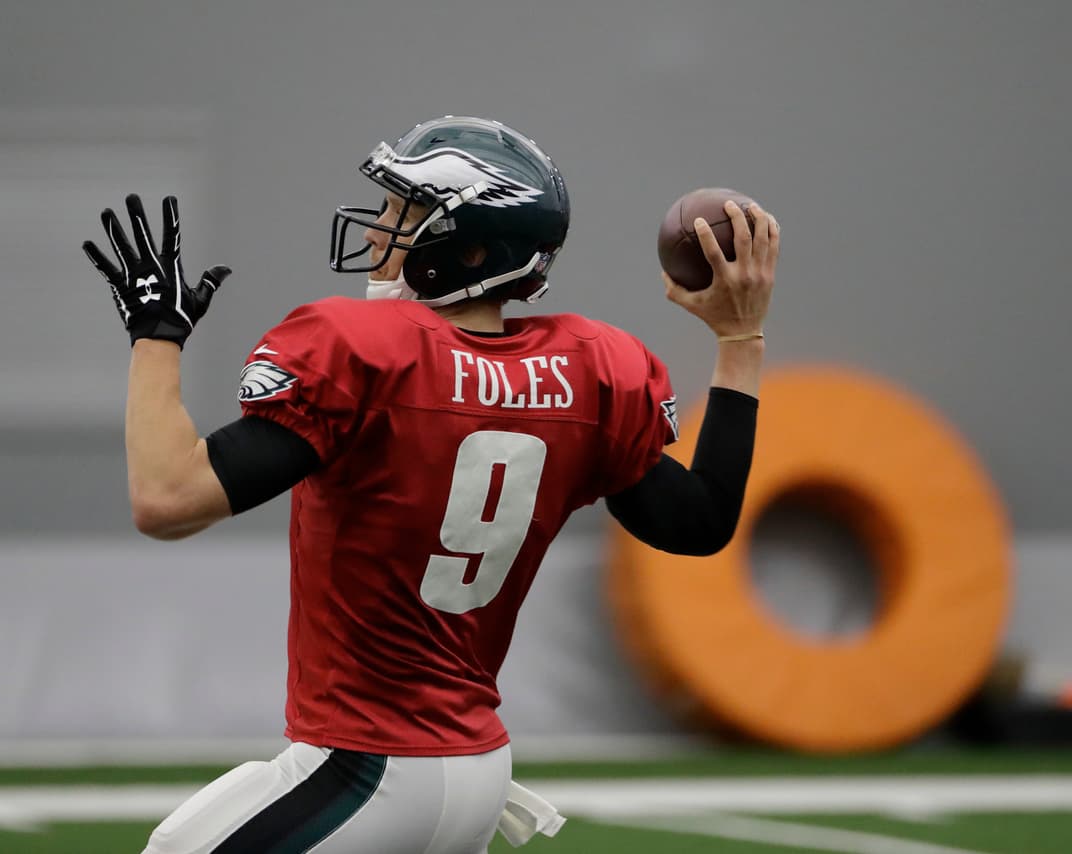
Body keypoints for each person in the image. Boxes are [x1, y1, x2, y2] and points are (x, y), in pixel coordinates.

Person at [81, 116, 778, 854]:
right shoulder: (586, 375)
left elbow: (167, 498)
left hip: (366, 766)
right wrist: (741, 340)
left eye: (403, 213)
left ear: (467, 249)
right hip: (477, 768)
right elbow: (701, 522)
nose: (379, 229)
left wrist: (156, 335)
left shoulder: (367, 355)